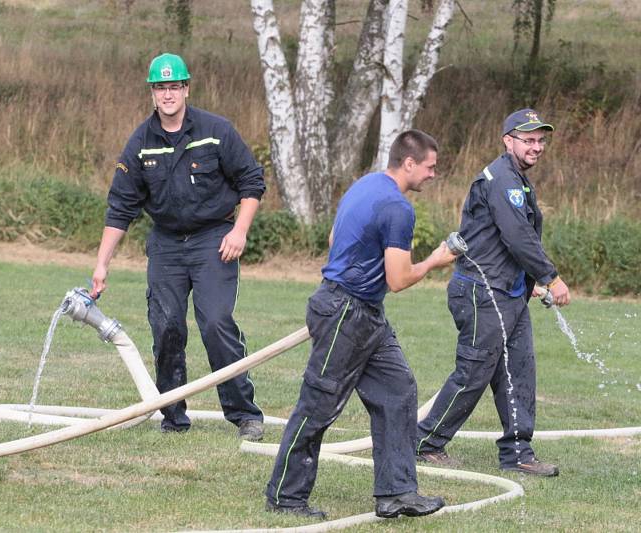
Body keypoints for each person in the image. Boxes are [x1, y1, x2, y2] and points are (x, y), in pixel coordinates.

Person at [264, 130, 456, 520]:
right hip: (345, 314)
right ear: (409, 163)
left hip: (363, 312)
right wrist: (437, 260)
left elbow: (336, 236)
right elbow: (398, 279)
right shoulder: (399, 209)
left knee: (399, 391)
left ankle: (397, 493)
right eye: (430, 167)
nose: (434, 175)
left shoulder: (365, 185)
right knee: (318, 405)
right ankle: (285, 496)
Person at [89, 53, 266, 441]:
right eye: (160, 87)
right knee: (166, 325)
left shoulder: (216, 130)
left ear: (186, 89)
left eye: (174, 86)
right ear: (152, 93)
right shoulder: (140, 143)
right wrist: (101, 265)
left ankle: (244, 415)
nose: (167, 94)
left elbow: (251, 182)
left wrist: (239, 231)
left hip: (212, 240)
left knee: (216, 323)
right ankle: (173, 416)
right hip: (166, 244)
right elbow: (120, 208)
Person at [415, 109, 571, 477]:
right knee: (474, 373)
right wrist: (550, 277)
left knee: (518, 370)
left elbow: (502, 240)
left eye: (540, 140)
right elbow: (518, 236)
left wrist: (527, 283)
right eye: (528, 140)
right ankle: (425, 441)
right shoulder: (503, 179)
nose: (536, 147)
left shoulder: (515, 179)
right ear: (508, 140)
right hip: (482, 293)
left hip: (506, 291)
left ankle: (518, 453)